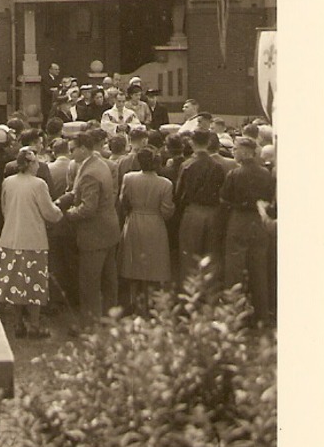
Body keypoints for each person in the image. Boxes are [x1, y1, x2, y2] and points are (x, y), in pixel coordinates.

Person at [0, 147, 63, 339]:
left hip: (10, 237)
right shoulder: (39, 184)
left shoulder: (8, 182)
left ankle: (18, 323)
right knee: (34, 283)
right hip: (33, 239)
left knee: (15, 283)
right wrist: (59, 211)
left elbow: (4, 207)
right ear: (31, 164)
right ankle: (34, 325)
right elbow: (49, 212)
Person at [56, 130, 121, 325]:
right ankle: (110, 318)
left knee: (89, 282)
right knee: (109, 278)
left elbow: (88, 208)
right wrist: (62, 200)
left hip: (94, 234)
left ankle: (89, 324)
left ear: (83, 149)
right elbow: (77, 192)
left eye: (72, 150)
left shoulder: (89, 172)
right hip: (108, 230)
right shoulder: (97, 163)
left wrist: (65, 214)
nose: (70, 154)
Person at [221, 136, 275, 324]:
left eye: (236, 149)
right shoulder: (266, 173)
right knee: (259, 269)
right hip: (259, 220)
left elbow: (225, 199)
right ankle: (262, 313)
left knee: (234, 269)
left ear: (245, 152)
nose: (234, 152)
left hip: (239, 219)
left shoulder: (235, 174)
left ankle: (234, 314)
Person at [119, 146, 174, 315]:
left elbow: (123, 201)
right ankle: (151, 304)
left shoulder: (129, 178)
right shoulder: (165, 184)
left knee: (133, 262)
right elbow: (166, 211)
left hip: (134, 221)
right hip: (155, 223)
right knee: (154, 265)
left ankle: (133, 302)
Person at [174, 129, 227, 285]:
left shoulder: (187, 165)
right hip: (213, 213)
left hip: (193, 212)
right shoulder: (217, 165)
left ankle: (190, 297)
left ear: (191, 142)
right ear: (209, 143)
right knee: (210, 257)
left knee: (189, 258)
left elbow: (179, 193)